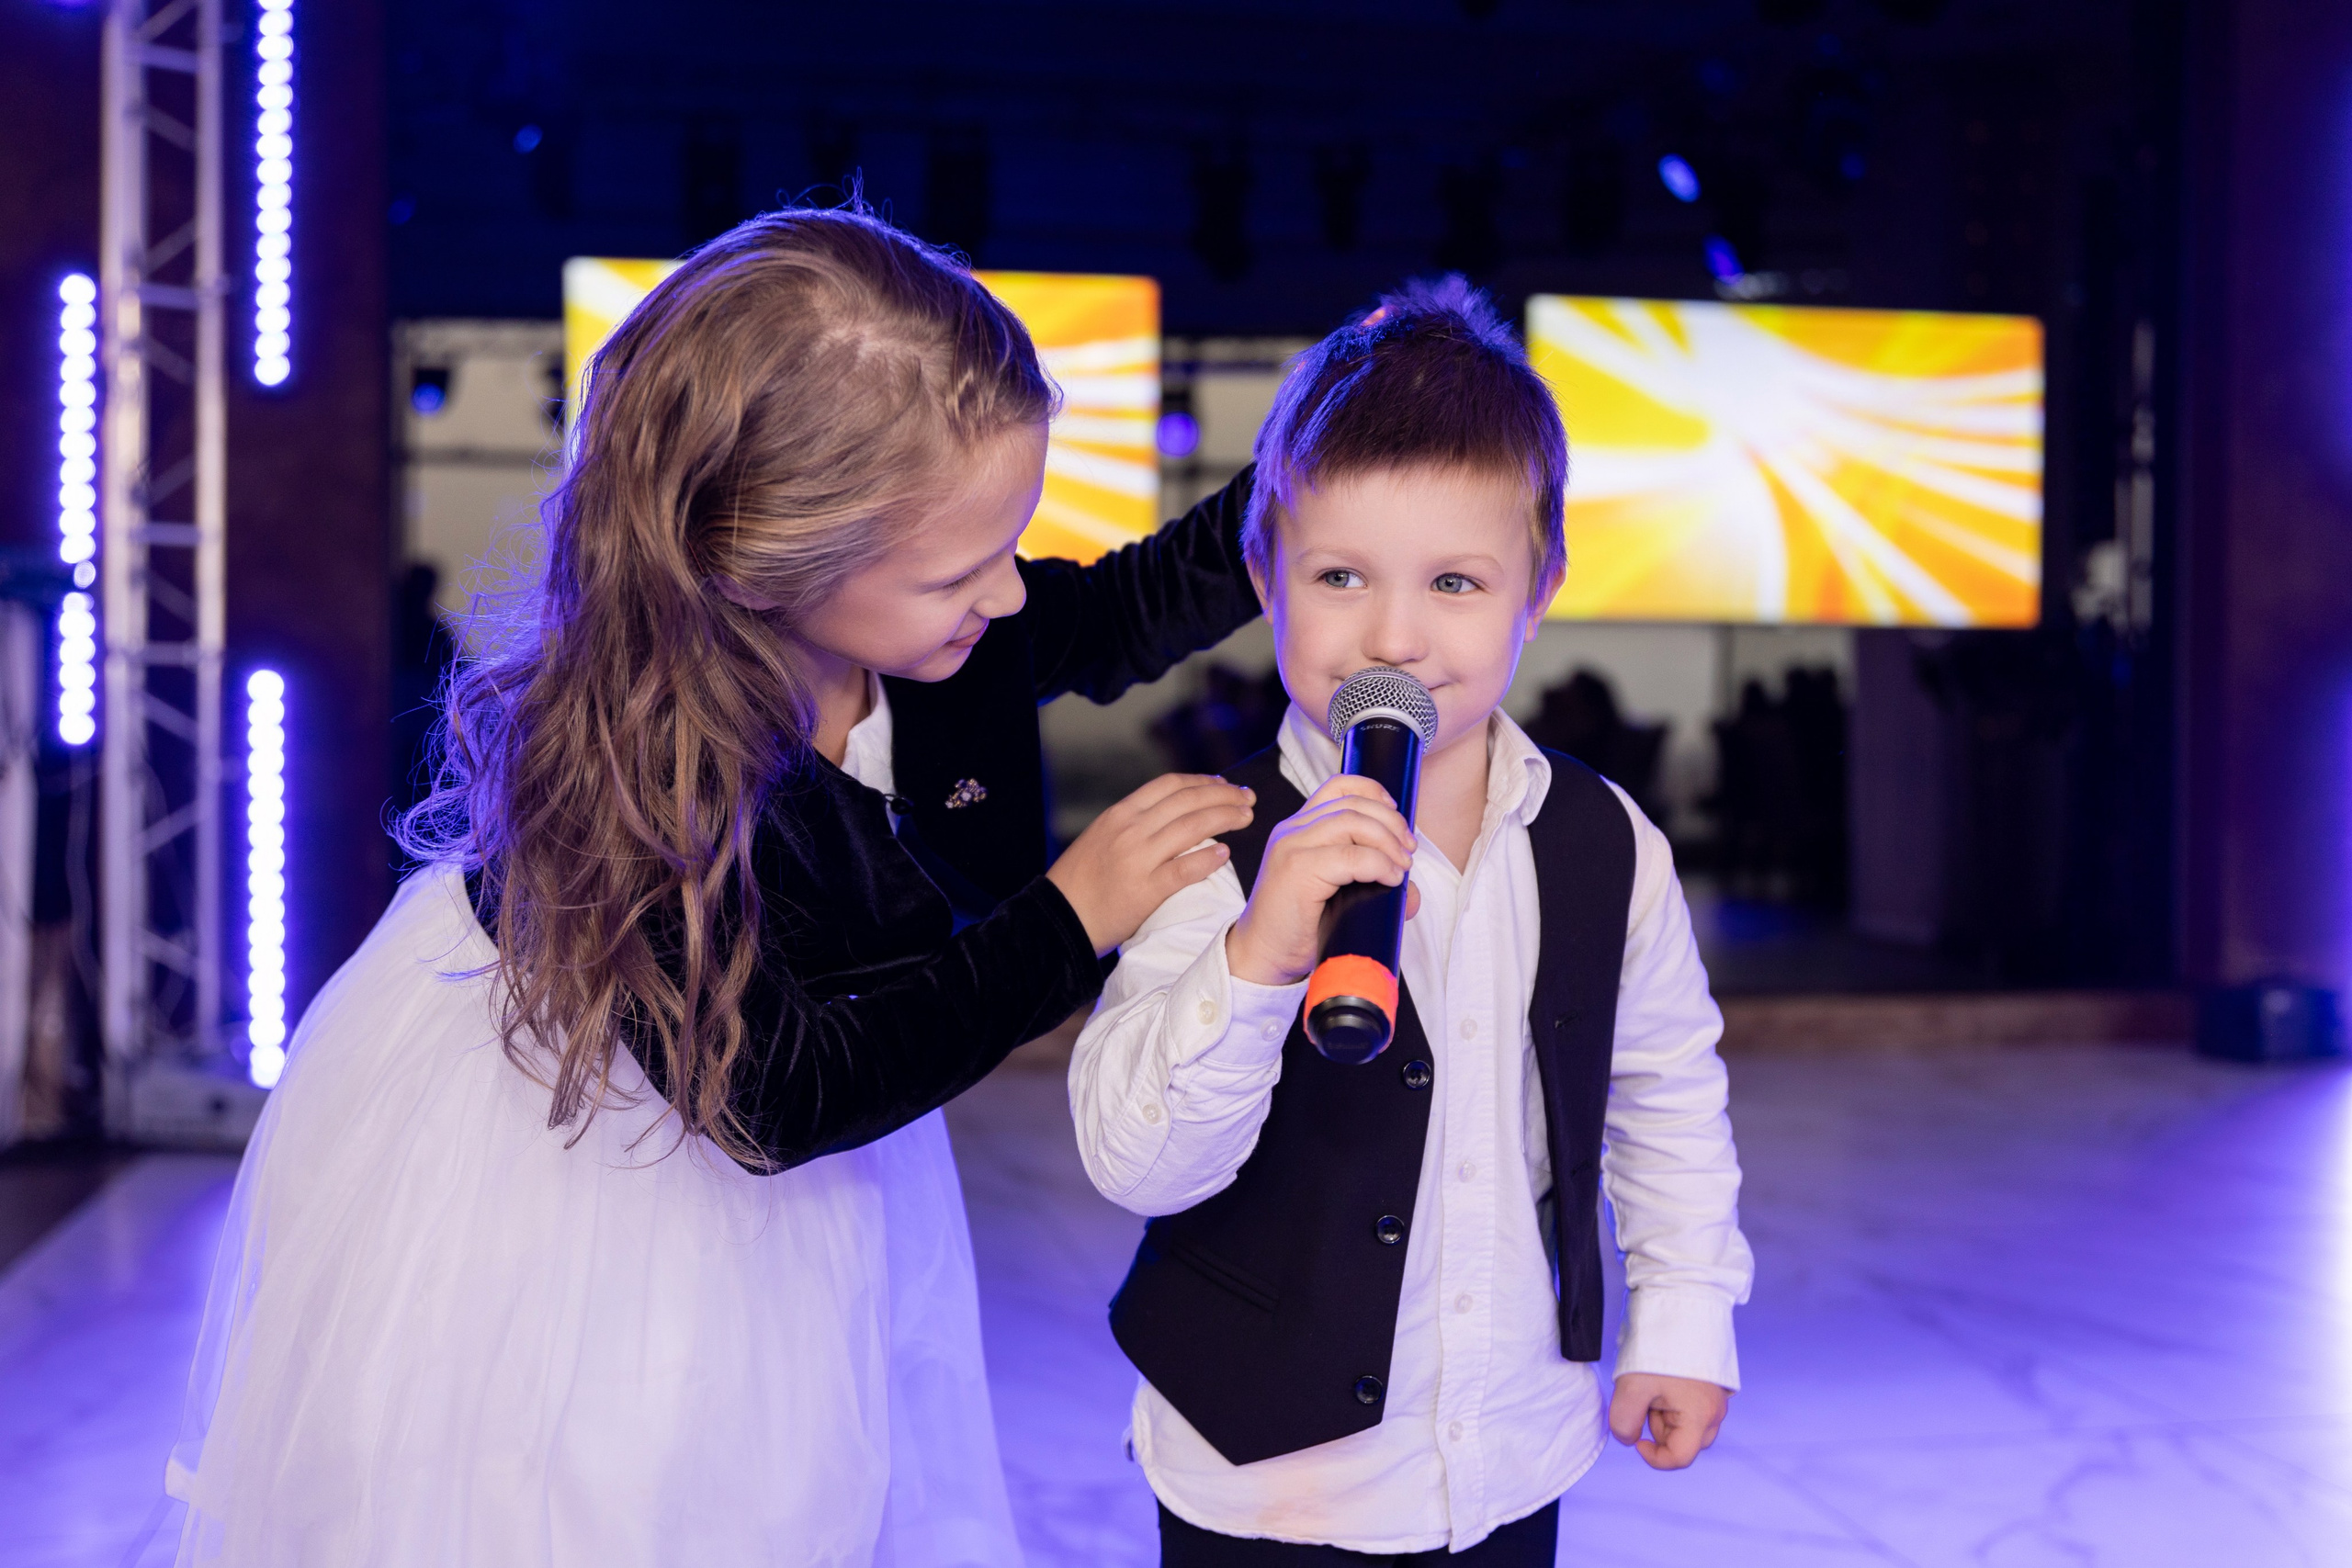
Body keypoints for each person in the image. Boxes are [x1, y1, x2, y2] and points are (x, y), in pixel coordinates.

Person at [168, 207, 1263, 1567]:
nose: (1006, 592)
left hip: (798, 1139)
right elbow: (776, 1099)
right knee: (617, 1497)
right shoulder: (640, 783)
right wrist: (1069, 919)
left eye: (1013, 541)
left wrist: (1314, 458)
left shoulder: (934, 634)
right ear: (765, 557)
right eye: (954, 569)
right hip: (603, 1174)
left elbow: (1132, 607)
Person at [1069, 278, 1753, 1564]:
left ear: (1537, 590)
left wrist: (1683, 1320)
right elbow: (1137, 1163)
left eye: (1454, 581)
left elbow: (1664, 1089)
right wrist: (1260, 952)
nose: (1396, 635)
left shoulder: (1608, 844)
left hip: (1504, 1454)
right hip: (1260, 1483)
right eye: (1340, 576)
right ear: (1267, 575)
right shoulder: (1209, 841)